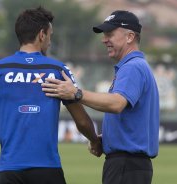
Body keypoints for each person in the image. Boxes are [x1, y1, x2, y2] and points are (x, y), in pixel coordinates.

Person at [0, 6, 102, 184]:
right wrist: (94, 140)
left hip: (9, 171)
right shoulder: (56, 70)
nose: (50, 41)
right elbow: (82, 121)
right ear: (42, 34)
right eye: (50, 36)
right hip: (48, 170)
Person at [42, 10, 160, 184]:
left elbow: (117, 103)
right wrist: (109, 139)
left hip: (126, 165)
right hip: (129, 165)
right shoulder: (136, 66)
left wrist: (76, 93)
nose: (105, 39)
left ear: (129, 37)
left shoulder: (132, 67)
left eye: (110, 34)